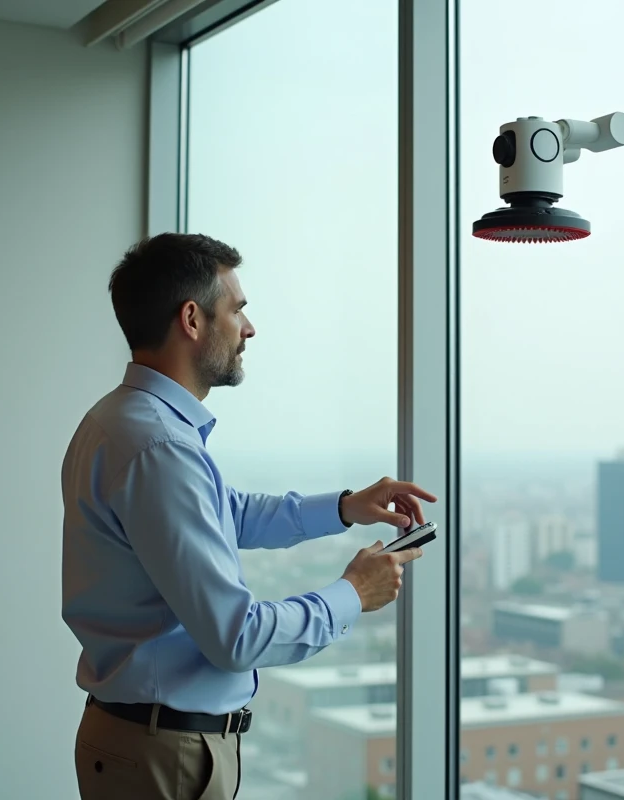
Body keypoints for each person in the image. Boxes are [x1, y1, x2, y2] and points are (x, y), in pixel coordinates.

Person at [61, 232, 436, 800]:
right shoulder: (159, 447)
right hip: (162, 756)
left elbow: (225, 513)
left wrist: (344, 508)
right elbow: (237, 636)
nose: (249, 328)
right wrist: (353, 594)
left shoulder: (124, 421)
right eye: (237, 309)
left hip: (145, 744)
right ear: (192, 319)